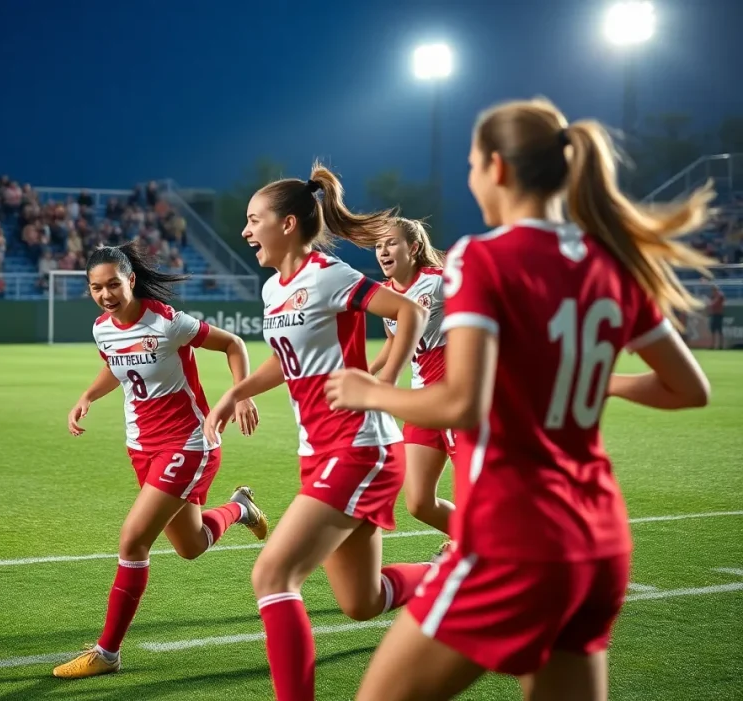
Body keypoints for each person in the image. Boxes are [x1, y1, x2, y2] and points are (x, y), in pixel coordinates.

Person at [324, 97, 713, 701]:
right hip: (599, 544)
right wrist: (598, 379)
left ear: (499, 168)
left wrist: (370, 390)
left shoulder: (482, 257)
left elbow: (462, 405)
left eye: (473, 164)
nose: (472, 177)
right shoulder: (612, 263)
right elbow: (689, 388)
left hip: (514, 539)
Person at [203, 163, 432, 701]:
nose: (245, 231)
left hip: (360, 447)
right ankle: (455, 573)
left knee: (272, 577)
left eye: (253, 219)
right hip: (322, 451)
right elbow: (290, 361)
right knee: (363, 601)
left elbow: (407, 312)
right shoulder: (271, 292)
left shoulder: (327, 274)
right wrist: (238, 391)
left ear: (287, 225)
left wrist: (385, 381)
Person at [52, 241, 268, 680]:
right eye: (96, 288)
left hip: (188, 443)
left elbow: (233, 344)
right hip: (142, 447)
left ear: (130, 280)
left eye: (113, 284)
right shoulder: (102, 329)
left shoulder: (167, 322)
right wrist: (86, 397)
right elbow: (117, 366)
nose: (106, 294)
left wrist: (239, 395)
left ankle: (107, 652)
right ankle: (240, 507)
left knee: (133, 540)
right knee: (190, 547)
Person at [369, 218, 455, 536]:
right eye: (378, 245)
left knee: (484, 493)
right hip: (420, 401)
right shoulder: (384, 293)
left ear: (414, 248)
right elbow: (394, 342)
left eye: (391, 243)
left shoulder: (438, 282)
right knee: (419, 503)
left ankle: (506, 555)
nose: (383, 250)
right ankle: (474, 544)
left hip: (455, 397)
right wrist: (368, 373)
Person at [708, 282, 724, 349]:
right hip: (713, 314)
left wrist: (710, 303)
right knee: (713, 331)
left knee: (719, 330)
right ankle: (713, 345)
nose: (713, 291)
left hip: (718, 314)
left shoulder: (720, 295)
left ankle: (720, 345)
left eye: (714, 289)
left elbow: (714, 303)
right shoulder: (713, 296)